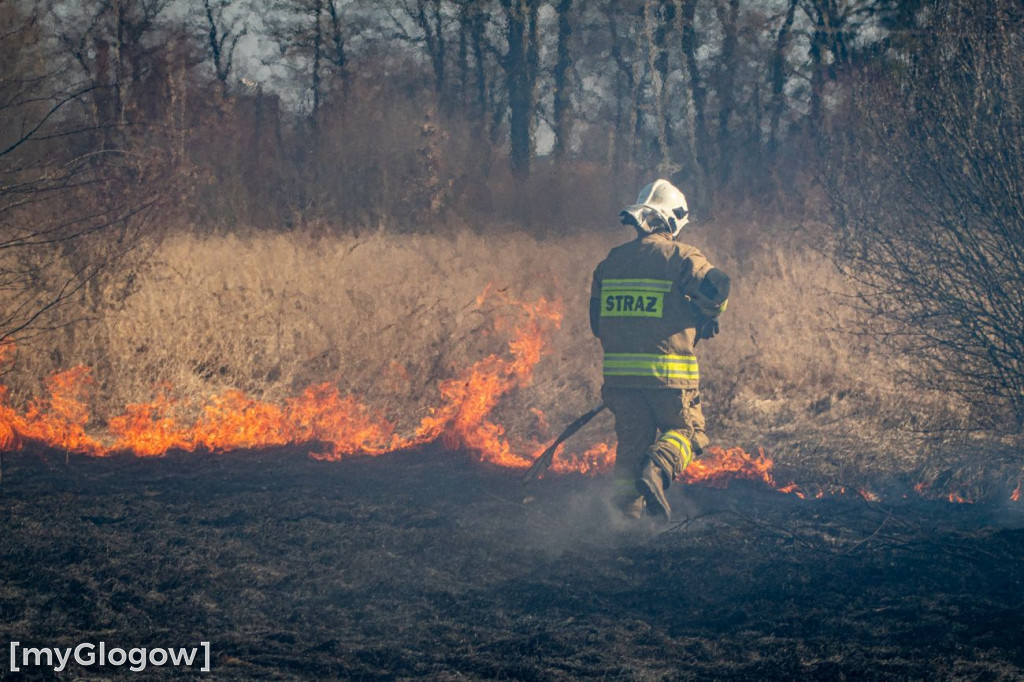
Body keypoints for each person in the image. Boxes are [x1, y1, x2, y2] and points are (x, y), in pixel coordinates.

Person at [590, 179, 730, 521]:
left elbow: (597, 322)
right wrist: (708, 313)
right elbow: (718, 286)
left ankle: (625, 526)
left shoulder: (611, 262)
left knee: (630, 452)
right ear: (673, 220)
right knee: (687, 432)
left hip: (621, 382)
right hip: (669, 377)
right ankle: (659, 467)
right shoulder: (680, 256)